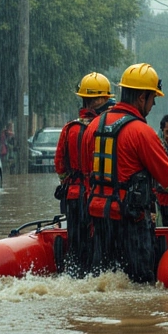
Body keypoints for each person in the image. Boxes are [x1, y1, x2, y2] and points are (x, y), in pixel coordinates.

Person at [80, 63, 168, 283]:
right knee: (139, 282)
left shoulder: (93, 126)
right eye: (152, 99)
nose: (153, 105)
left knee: (105, 278)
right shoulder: (141, 132)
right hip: (130, 220)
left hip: (99, 216)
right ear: (142, 98)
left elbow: (85, 172)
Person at [54, 72, 115, 277]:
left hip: (73, 197)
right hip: (98, 197)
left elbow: (60, 165)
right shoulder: (105, 128)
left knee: (76, 242)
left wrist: (69, 182)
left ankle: (74, 274)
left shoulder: (69, 128)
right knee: (99, 243)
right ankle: (96, 275)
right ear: (98, 100)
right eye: (106, 99)